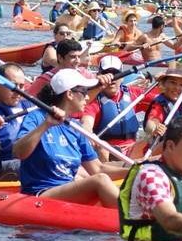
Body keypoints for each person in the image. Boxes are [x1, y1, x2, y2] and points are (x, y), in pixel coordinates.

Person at [13, 69, 128, 206]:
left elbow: (98, 169)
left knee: (121, 183)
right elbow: (19, 152)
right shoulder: (36, 118)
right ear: (69, 94)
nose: (87, 97)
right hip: (40, 193)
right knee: (100, 180)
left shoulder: (75, 127)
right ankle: (132, 220)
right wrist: (46, 125)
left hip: (69, 188)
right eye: (84, 92)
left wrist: (134, 172)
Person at [81, 56, 147, 160]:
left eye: (116, 74)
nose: (112, 78)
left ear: (122, 77)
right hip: (107, 150)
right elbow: (86, 124)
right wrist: (91, 136)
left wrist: (167, 82)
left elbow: (163, 99)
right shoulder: (93, 100)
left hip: (132, 148)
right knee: (104, 151)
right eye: (106, 74)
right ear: (99, 76)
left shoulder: (134, 93)